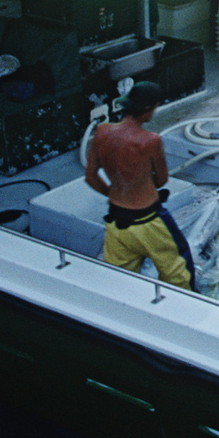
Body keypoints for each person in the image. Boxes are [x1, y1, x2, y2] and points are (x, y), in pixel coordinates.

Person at [83, 82, 194, 288]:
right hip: (148, 220)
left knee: (120, 279)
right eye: (155, 107)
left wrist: (114, 192)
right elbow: (162, 180)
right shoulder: (151, 140)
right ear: (146, 109)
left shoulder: (101, 132)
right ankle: (184, 310)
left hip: (117, 220)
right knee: (178, 269)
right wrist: (140, 183)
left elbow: (90, 177)